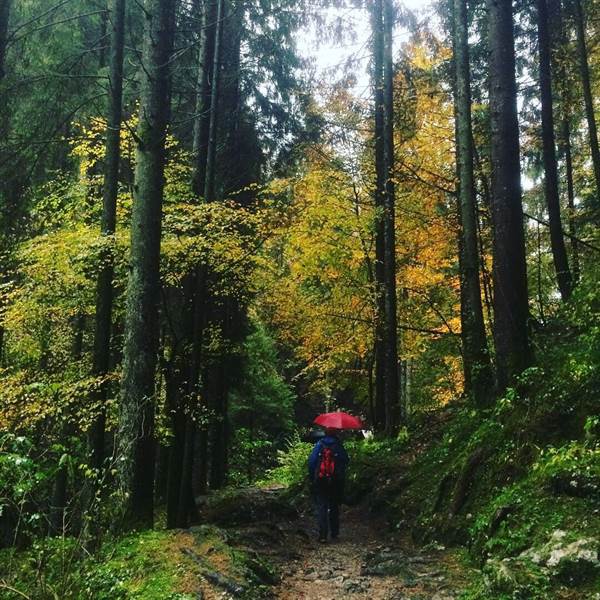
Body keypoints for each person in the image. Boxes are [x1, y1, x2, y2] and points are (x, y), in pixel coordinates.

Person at [308, 427, 349, 543]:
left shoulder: (319, 444)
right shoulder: (338, 445)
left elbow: (311, 462)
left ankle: (323, 535)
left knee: (322, 506)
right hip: (336, 480)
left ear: (325, 432)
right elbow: (346, 460)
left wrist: (312, 477)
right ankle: (335, 533)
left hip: (321, 480)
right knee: (334, 506)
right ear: (336, 432)